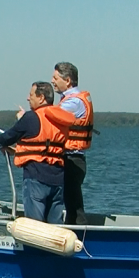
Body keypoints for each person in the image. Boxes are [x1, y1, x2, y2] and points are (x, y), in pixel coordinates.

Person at [0, 82, 76, 223]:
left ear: (41, 98)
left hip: (36, 178)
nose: (28, 98)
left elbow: (9, 136)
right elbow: (43, 146)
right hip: (57, 179)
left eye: (31, 95)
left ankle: (34, 246)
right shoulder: (61, 120)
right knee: (55, 225)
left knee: (35, 225)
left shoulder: (31, 117)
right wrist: (17, 150)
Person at [51, 62, 93, 225]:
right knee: (71, 204)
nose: (52, 81)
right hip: (72, 159)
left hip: (72, 160)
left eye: (55, 78)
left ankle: (80, 241)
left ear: (67, 80)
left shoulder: (73, 102)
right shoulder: (70, 99)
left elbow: (49, 120)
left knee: (74, 206)